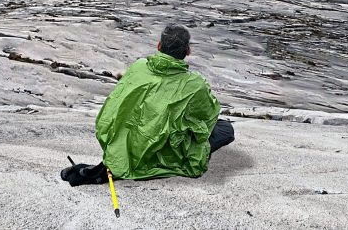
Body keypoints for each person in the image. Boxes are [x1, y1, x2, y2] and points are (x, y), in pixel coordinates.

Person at [62, 24, 234, 185]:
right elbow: (209, 114)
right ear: (188, 51)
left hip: (126, 145)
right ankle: (156, 158)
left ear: (159, 46)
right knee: (225, 129)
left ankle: (113, 166)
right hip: (165, 149)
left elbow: (115, 106)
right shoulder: (195, 83)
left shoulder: (139, 67)